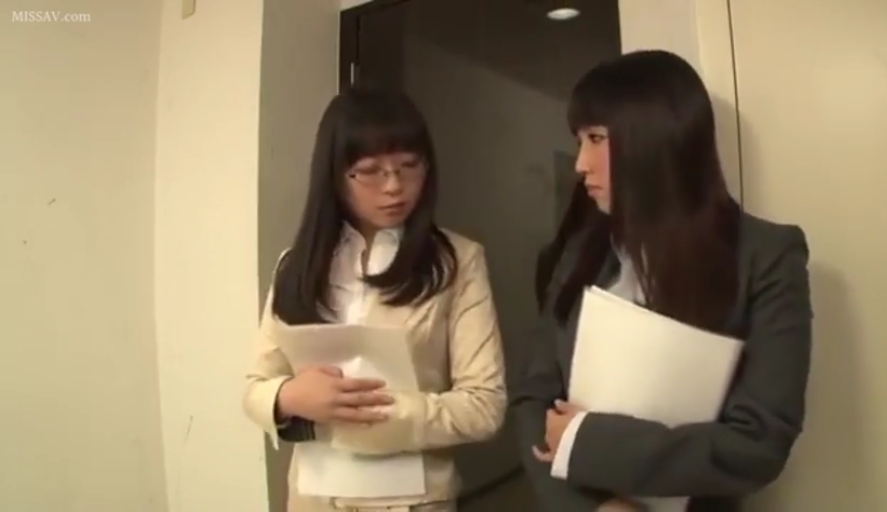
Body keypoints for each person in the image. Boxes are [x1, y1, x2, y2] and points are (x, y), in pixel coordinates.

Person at [511, 50, 813, 512]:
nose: (580, 164)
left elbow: (759, 442)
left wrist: (586, 440)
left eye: (596, 138)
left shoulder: (766, 257)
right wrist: (597, 508)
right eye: (579, 141)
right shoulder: (579, 253)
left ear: (655, 140)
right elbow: (534, 396)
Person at [242, 86, 507, 512]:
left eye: (409, 166)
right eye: (369, 171)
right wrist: (289, 397)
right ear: (334, 175)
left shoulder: (459, 261)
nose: (394, 186)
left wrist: (373, 413)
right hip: (311, 498)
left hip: (412, 502)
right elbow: (257, 385)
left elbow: (484, 406)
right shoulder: (296, 265)